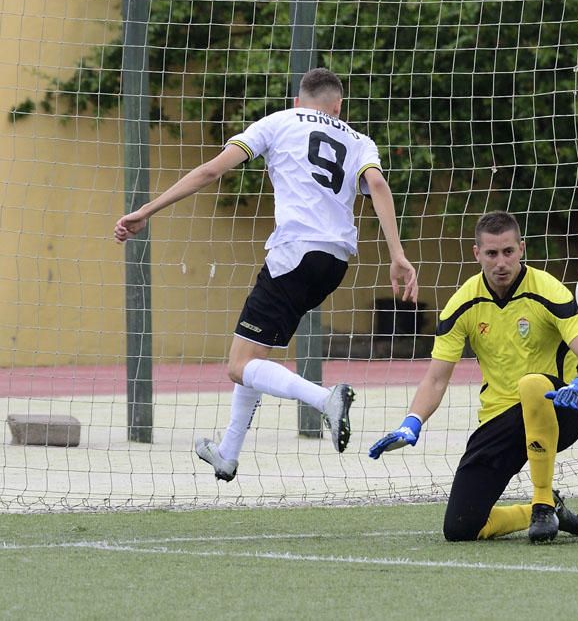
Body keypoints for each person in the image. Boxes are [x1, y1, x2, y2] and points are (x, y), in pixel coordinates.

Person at [114, 67, 418, 481]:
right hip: (334, 263)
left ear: (298, 100)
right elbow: (378, 185)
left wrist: (146, 211)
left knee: (239, 365)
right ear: (338, 106)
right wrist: (397, 254)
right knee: (254, 355)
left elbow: (211, 171)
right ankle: (227, 452)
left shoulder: (279, 121)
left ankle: (324, 398)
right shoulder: (357, 138)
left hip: (293, 252)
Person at [368, 211, 578, 543]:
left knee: (532, 384)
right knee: (461, 528)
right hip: (501, 418)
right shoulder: (462, 303)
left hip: (562, 408)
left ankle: (542, 503)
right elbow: (435, 379)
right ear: (477, 254)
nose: (501, 262)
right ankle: (546, 507)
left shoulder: (549, 290)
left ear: (521, 249)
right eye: (492, 254)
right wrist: (412, 422)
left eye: (508, 252)